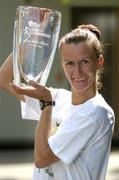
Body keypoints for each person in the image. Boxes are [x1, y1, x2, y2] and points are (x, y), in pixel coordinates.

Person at [0, 24, 115, 180]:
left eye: (84, 62)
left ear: (99, 61)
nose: (78, 72)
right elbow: (5, 80)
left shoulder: (96, 112)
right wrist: (31, 40)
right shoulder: (60, 97)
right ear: (63, 64)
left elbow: (42, 159)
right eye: (70, 63)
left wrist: (47, 104)